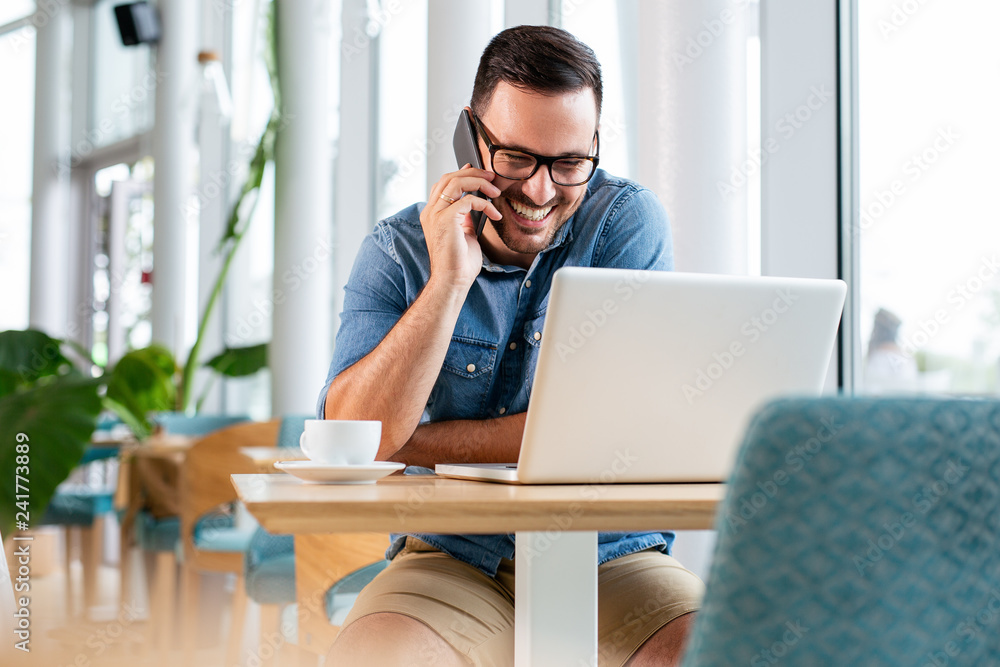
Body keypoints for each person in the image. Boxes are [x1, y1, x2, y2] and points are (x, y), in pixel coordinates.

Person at [318, 25, 703, 666]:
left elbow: (606, 431)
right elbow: (353, 436)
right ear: (470, 136)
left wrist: (414, 443)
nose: (541, 191)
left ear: (596, 148)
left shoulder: (625, 224)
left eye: (570, 162)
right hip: (453, 556)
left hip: (610, 554)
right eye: (517, 158)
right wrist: (447, 283)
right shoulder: (396, 251)